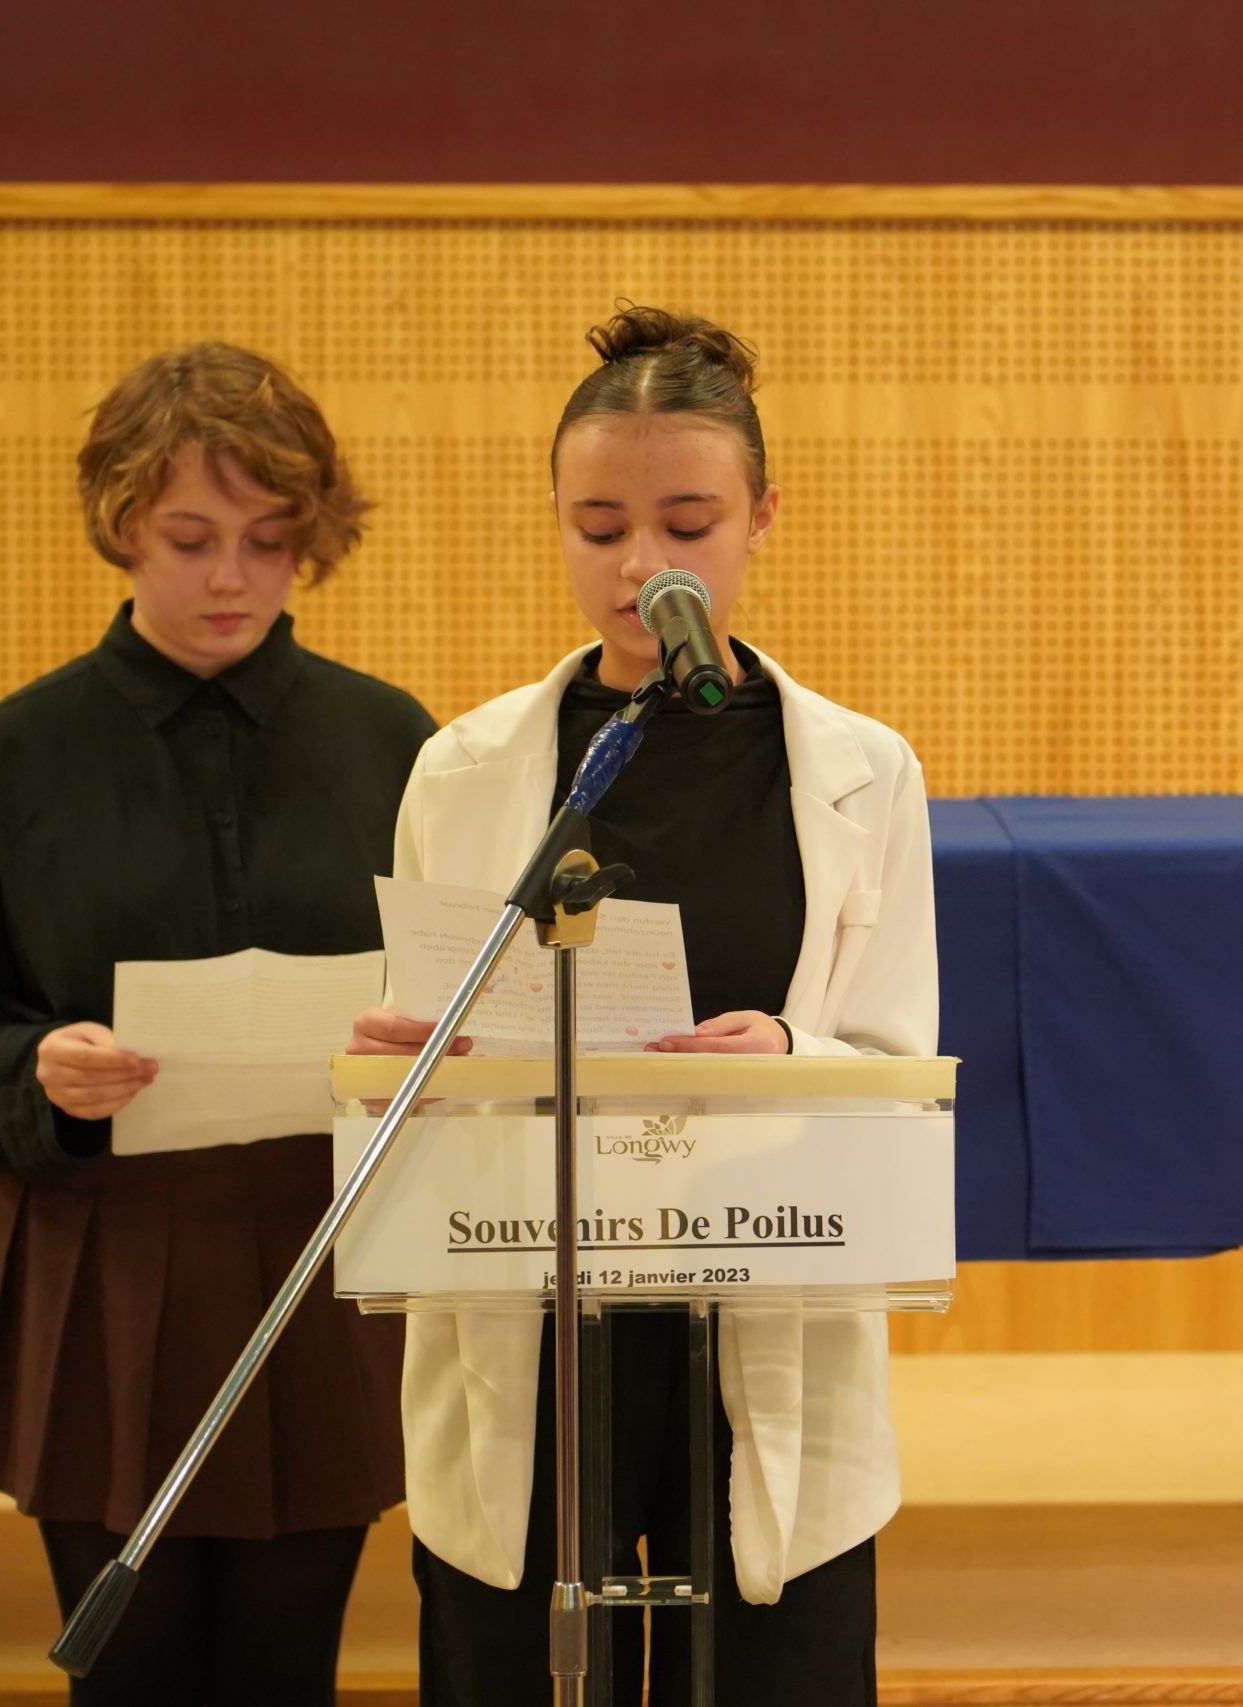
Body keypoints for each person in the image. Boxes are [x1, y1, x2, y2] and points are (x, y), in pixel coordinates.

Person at [349, 304, 935, 1706]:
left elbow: (901, 1064)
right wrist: (403, 1056)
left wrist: (789, 1048)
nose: (641, 564)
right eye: (600, 525)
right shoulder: (469, 767)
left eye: (688, 522)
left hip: (763, 1287)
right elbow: (422, 1015)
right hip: (535, 1303)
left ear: (761, 518)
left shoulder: (863, 770)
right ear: (556, 522)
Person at [0, 343, 434, 1706]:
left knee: (280, 1663)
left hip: (323, 1251)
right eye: (192, 539)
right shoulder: (17, 752)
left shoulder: (395, 745)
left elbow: (463, 1005)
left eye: (269, 540)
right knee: (131, 1669)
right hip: (99, 1252)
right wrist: (35, 1066)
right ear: (123, 523)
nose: (233, 580)